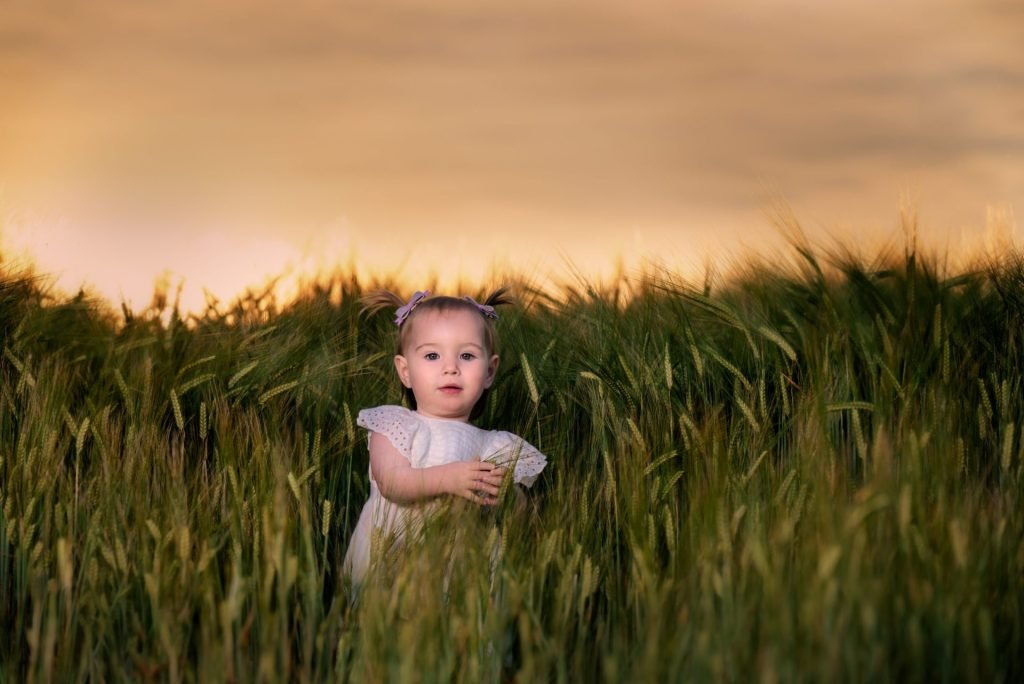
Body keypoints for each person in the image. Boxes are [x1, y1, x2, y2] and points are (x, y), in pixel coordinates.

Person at [342, 288, 548, 588]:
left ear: (490, 371)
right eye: (432, 355)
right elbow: (391, 482)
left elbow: (520, 519)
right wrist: (450, 478)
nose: (450, 367)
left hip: (462, 571)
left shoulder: (495, 445)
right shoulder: (395, 426)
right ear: (405, 371)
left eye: (466, 355)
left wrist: (507, 495)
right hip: (393, 563)